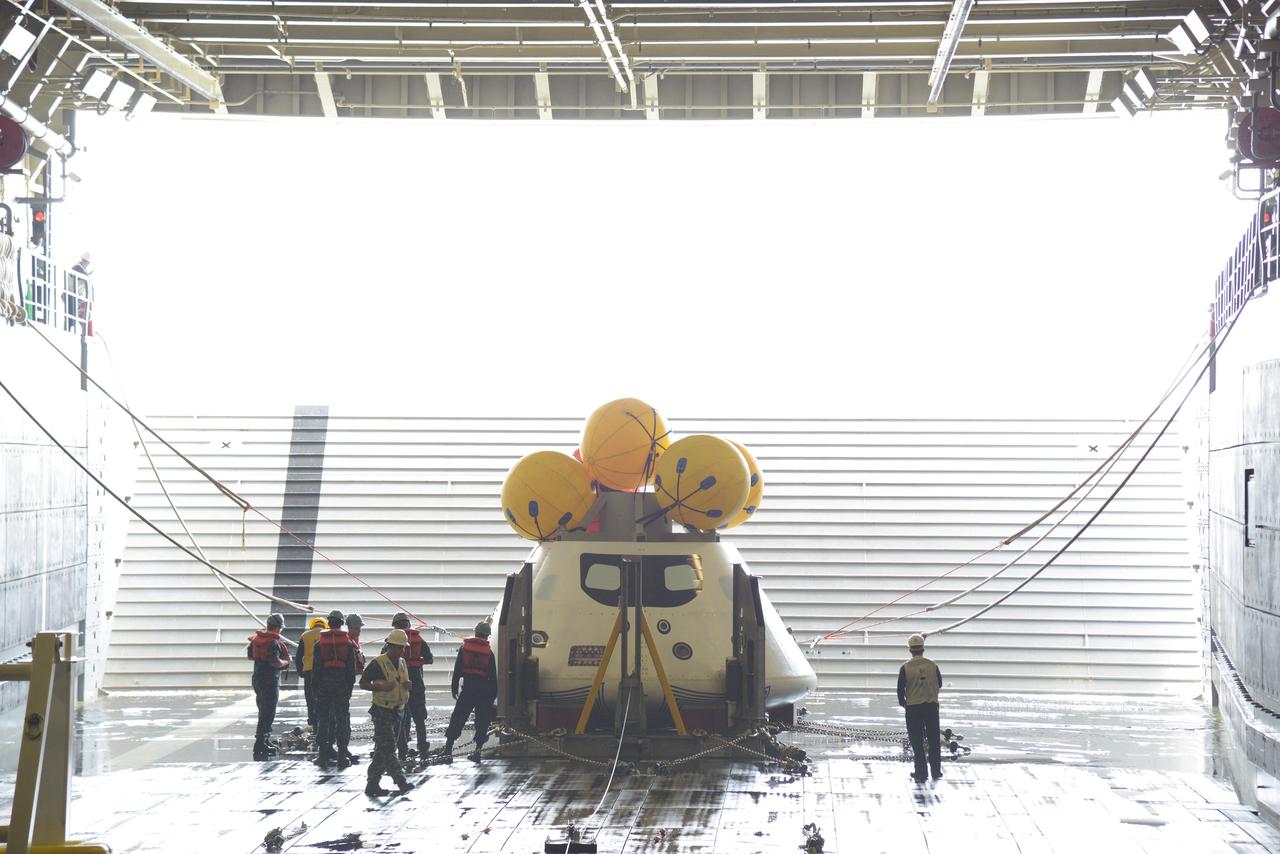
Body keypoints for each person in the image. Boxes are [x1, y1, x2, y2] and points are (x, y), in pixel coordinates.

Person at [359, 629, 415, 797]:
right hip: (382, 711)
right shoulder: (378, 663)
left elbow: (402, 681)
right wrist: (380, 687)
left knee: (382, 751)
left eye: (403, 648)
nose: (401, 651)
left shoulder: (403, 663)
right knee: (389, 748)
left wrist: (407, 686)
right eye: (399, 647)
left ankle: (372, 785)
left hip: (398, 710)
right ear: (390, 646)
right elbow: (363, 683)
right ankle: (401, 782)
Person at [443, 621, 497, 763]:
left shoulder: (464, 649)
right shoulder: (489, 653)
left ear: (476, 633)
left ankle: (448, 751)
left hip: (468, 688)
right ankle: (477, 753)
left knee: (458, 718)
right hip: (484, 691)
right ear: (487, 636)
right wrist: (493, 695)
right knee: (482, 721)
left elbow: (457, 670)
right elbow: (493, 676)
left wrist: (454, 688)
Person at [314, 609, 359, 769]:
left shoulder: (319, 644)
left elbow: (316, 669)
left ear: (329, 622)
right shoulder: (347, 644)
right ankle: (341, 757)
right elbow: (351, 670)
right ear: (341, 623)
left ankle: (322, 756)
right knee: (341, 721)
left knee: (323, 722)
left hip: (324, 686)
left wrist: (316, 689)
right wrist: (349, 688)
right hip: (341, 686)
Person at [897, 634, 943, 783]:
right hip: (931, 707)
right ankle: (936, 771)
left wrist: (905, 704)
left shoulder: (905, 667)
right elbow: (940, 683)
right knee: (934, 740)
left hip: (913, 708)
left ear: (910, 650)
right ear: (923, 648)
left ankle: (921, 773)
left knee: (917, 742)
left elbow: (900, 691)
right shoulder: (933, 665)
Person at [388, 612, 434, 760]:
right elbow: (430, 659)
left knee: (400, 718)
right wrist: (418, 661)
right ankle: (423, 750)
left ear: (395, 626)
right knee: (419, 719)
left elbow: (385, 659)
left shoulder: (392, 642)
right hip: (416, 684)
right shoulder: (419, 640)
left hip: (399, 684)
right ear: (408, 624)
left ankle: (402, 751)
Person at [247, 613, 291, 761]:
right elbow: (276, 663)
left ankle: (264, 740)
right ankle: (260, 743)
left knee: (262, 710)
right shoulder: (273, 643)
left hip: (257, 679)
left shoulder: (256, 640)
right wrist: (287, 661)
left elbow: (250, 656)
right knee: (268, 713)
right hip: (270, 681)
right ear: (278, 627)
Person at [296, 615, 327, 729]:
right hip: (324, 672)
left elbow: (299, 657)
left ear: (312, 625)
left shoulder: (305, 636)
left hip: (309, 672)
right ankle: (323, 724)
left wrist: (301, 672)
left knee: (310, 699)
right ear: (324, 625)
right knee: (323, 699)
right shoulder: (327, 634)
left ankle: (314, 724)